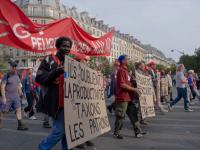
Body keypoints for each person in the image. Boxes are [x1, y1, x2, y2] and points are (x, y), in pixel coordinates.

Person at [36, 37, 73, 150]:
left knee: (69, 131)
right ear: (57, 47)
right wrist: (56, 72)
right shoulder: (48, 60)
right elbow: (39, 78)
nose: (67, 48)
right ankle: (42, 147)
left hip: (70, 103)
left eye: (69, 46)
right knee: (59, 131)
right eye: (64, 46)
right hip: (56, 103)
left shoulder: (72, 63)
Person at [113, 55, 144, 139]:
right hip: (123, 97)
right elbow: (122, 85)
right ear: (123, 61)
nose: (129, 60)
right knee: (121, 116)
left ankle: (138, 131)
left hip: (129, 97)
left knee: (133, 114)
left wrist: (133, 81)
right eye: (127, 59)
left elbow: (128, 82)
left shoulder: (126, 71)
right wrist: (134, 89)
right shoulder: (121, 71)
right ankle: (117, 132)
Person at [0, 60, 28, 130]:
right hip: (8, 97)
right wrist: (3, 97)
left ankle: (20, 125)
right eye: (13, 67)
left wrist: (21, 94)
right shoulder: (6, 76)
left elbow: (18, 86)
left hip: (16, 97)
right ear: (10, 67)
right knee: (3, 111)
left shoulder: (17, 76)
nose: (14, 68)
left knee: (18, 109)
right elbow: (2, 86)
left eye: (15, 67)